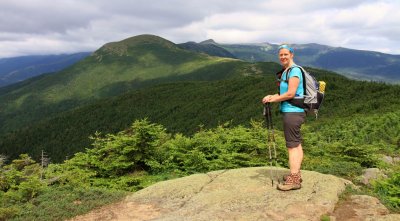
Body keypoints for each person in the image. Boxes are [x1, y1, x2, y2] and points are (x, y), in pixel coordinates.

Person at [262, 44, 305, 191]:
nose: (283, 57)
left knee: (292, 146)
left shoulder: (294, 71)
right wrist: (272, 96)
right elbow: (285, 94)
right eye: (281, 55)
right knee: (297, 144)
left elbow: (291, 94)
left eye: (286, 54)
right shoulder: (287, 71)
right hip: (294, 111)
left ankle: (293, 180)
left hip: (293, 113)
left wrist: (274, 100)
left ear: (292, 54)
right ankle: (296, 175)